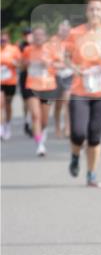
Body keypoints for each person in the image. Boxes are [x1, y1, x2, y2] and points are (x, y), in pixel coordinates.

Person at [65, 0, 101, 188]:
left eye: (98, 9)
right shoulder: (75, 33)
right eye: (91, 9)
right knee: (78, 133)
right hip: (80, 90)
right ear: (86, 11)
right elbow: (66, 57)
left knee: (95, 136)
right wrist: (75, 69)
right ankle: (75, 156)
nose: (95, 12)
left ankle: (91, 174)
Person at [21, 24, 60, 156]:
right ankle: (40, 145)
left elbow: (61, 64)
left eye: (41, 35)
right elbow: (21, 66)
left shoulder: (51, 49)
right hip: (32, 86)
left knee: (44, 119)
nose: (38, 37)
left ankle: (43, 131)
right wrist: (25, 64)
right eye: (36, 35)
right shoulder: (28, 50)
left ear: (46, 37)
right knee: (35, 115)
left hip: (48, 87)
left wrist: (49, 64)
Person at [51, 20, 73, 138]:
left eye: (66, 29)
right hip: (56, 75)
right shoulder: (53, 42)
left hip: (69, 75)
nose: (64, 31)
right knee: (58, 104)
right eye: (62, 29)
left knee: (67, 102)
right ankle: (57, 126)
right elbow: (49, 60)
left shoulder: (72, 42)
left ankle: (68, 128)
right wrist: (58, 64)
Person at [1, 31, 22, 140]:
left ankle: (7, 125)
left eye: (4, 40)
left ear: (8, 40)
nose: (2, 42)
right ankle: (1, 128)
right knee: (0, 104)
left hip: (10, 82)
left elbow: (20, 64)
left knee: (8, 106)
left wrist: (14, 63)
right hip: (0, 82)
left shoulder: (14, 49)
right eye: (1, 40)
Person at [18, 26, 33, 135]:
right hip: (25, 76)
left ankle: (32, 122)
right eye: (26, 34)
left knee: (34, 101)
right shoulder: (21, 46)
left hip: (36, 78)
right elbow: (20, 63)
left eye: (29, 34)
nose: (28, 36)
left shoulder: (36, 45)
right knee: (26, 101)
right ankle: (26, 120)